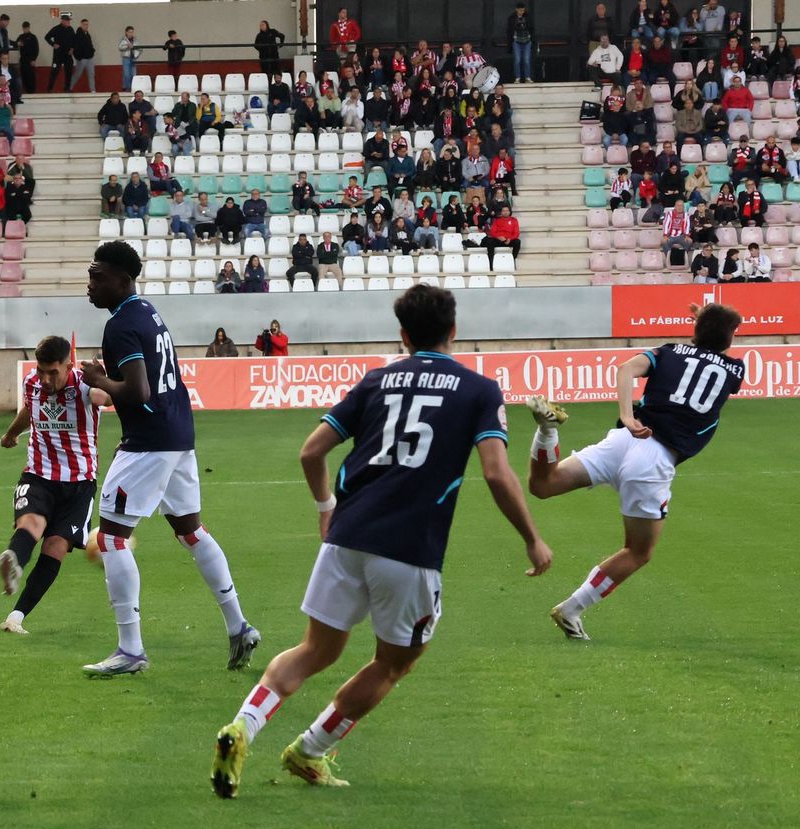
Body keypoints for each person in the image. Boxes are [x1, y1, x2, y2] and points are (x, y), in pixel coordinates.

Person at [209, 284, 550, 798]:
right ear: (454, 331)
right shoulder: (479, 390)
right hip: (409, 549)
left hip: (347, 536)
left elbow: (311, 452)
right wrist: (532, 538)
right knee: (395, 663)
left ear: (404, 335)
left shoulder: (377, 381)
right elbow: (498, 474)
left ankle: (241, 728)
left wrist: (326, 509)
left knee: (313, 650)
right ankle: (309, 750)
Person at [76, 242, 260, 679]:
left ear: (121, 280)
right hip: (178, 434)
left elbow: (138, 391)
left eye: (97, 275)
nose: (90, 283)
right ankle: (239, 625)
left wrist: (100, 378)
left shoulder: (120, 325)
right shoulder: (147, 312)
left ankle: (130, 649)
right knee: (191, 531)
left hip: (149, 440)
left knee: (113, 537)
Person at [526, 303, 744, 642]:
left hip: (623, 440)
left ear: (695, 330)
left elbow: (627, 369)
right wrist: (707, 327)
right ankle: (571, 610)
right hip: (654, 460)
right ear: (730, 337)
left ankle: (548, 431)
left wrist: (627, 416)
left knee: (544, 485)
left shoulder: (668, 351)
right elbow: (713, 355)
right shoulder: (734, 369)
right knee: (638, 551)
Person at [0, 335, 110, 635]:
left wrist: (109, 382)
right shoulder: (33, 383)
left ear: (68, 365)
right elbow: (29, 411)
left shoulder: (85, 387)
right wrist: (11, 434)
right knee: (30, 524)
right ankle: (14, 561)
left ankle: (16, 617)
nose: (46, 379)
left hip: (79, 483)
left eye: (53, 372)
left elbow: (109, 397)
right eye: (42, 370)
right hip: (38, 474)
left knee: (55, 547)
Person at [45, 14, 76, 93]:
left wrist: (72, 48)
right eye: (67, 20)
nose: (69, 22)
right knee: (54, 71)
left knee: (69, 71)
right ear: (63, 21)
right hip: (58, 55)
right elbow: (47, 37)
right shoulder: (56, 29)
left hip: (68, 55)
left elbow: (74, 40)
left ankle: (67, 88)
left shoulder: (70, 29)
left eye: (69, 21)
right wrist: (53, 44)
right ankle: (50, 88)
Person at [508, 1, 536, 83]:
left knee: (526, 60)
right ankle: (518, 77)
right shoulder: (512, 18)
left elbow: (532, 29)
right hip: (517, 41)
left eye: (523, 10)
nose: (521, 12)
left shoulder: (528, 17)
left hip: (527, 41)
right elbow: (509, 31)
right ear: (516, 10)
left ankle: (527, 77)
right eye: (520, 10)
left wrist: (532, 40)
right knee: (517, 60)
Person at [71, 19, 97, 93]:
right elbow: (76, 47)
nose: (86, 26)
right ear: (81, 25)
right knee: (77, 74)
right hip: (81, 59)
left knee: (91, 74)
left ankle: (93, 90)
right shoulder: (77, 35)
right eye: (85, 24)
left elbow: (90, 45)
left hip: (90, 58)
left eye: (87, 24)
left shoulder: (87, 34)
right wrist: (79, 57)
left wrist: (92, 51)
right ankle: (69, 87)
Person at [15, 21, 38, 95]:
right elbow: (15, 44)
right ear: (22, 28)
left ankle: (32, 91)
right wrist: (17, 44)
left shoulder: (33, 37)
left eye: (27, 28)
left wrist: (34, 59)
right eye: (24, 28)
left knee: (30, 76)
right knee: (24, 75)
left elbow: (36, 49)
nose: (25, 29)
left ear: (29, 28)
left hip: (30, 60)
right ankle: (26, 91)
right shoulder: (21, 37)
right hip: (23, 59)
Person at [119, 25, 141, 92]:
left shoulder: (135, 40)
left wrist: (136, 55)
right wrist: (127, 46)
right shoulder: (123, 40)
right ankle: (127, 87)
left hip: (133, 58)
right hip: (126, 58)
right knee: (126, 74)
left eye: (132, 32)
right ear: (126, 32)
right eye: (129, 32)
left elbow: (140, 49)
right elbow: (120, 47)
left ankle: (133, 87)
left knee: (133, 74)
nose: (131, 34)